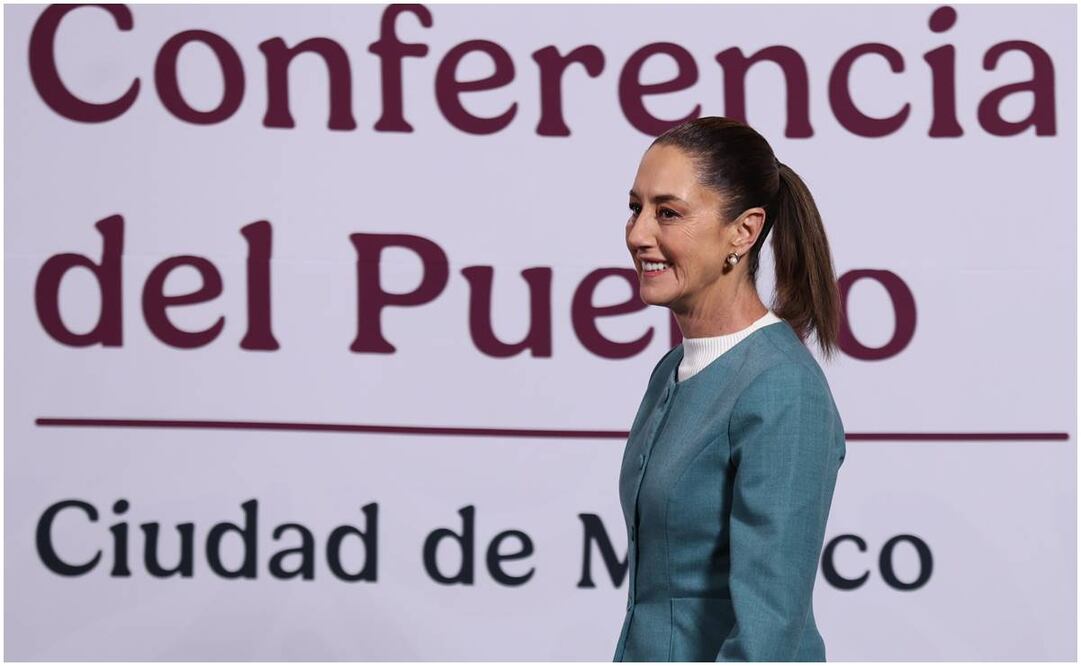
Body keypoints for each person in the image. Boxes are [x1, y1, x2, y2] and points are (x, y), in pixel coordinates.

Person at [612, 116, 847, 662]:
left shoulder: (783, 390)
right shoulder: (672, 369)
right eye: (635, 207)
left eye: (668, 212)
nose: (638, 233)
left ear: (743, 231)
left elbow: (770, 634)